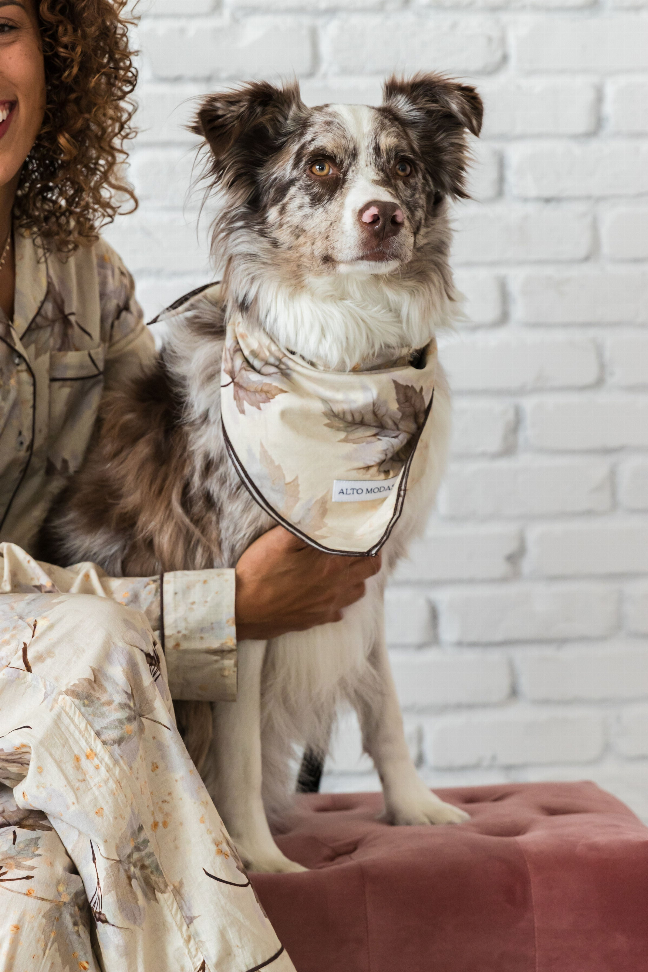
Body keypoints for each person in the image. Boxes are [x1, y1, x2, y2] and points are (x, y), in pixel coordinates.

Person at [0, 2, 380, 969]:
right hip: (70, 667)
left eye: (1, 25)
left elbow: (150, 485)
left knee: (37, 874)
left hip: (41, 723)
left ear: (56, 59)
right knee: (86, 639)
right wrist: (223, 609)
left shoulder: (85, 278)